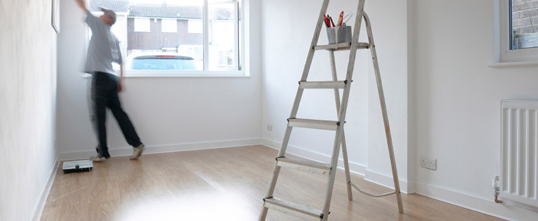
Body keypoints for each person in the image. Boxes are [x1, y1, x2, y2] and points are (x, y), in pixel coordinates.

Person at [75, 0, 145, 161]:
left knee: (98, 116)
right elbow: (121, 61)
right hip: (112, 79)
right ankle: (137, 144)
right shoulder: (114, 38)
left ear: (108, 20)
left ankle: (103, 153)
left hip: (100, 78)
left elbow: (82, 7)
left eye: (103, 14)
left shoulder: (100, 27)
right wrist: (121, 81)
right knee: (120, 114)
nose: (99, 16)